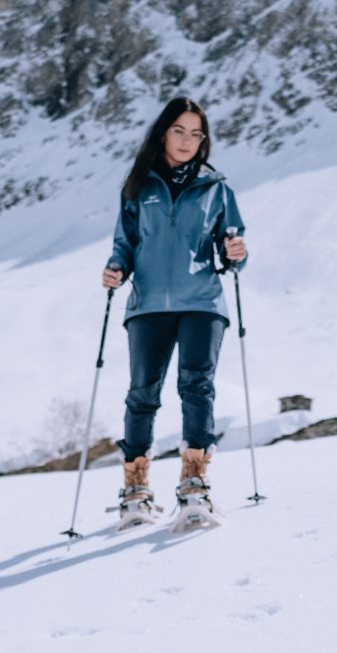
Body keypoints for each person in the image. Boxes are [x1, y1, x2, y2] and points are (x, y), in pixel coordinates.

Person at [101, 96, 249, 529]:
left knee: (196, 387)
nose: (187, 140)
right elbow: (124, 245)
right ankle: (135, 491)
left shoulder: (217, 188)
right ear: (163, 132)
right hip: (147, 305)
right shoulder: (137, 187)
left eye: (196, 133)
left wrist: (236, 252)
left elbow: (233, 248)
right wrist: (115, 268)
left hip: (202, 301)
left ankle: (194, 486)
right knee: (142, 395)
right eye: (179, 130)